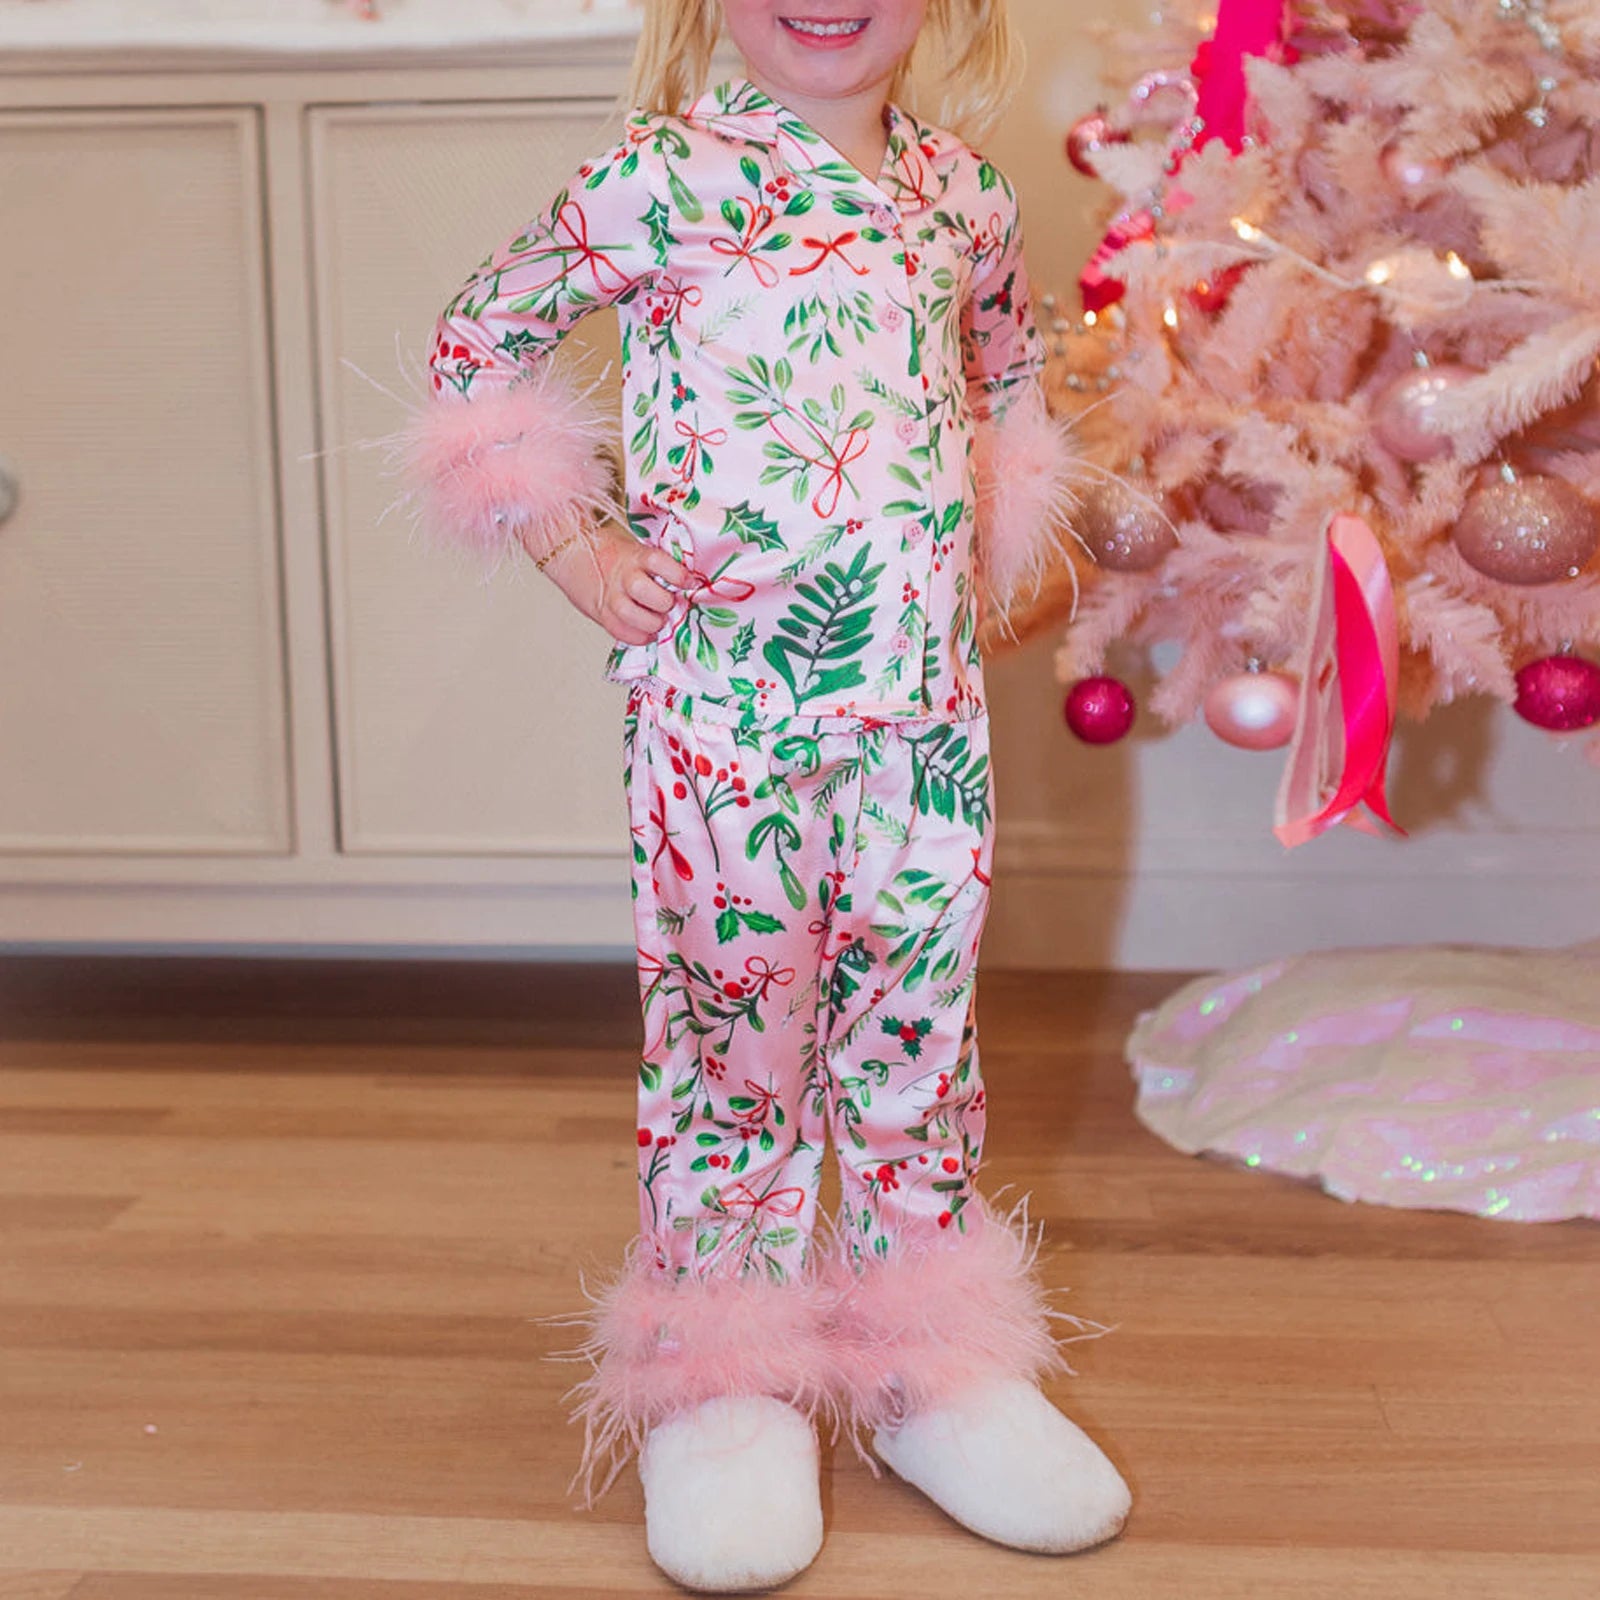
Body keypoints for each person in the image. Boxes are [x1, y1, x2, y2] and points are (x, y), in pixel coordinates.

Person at [406, 1, 1129, 1589]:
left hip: (923, 726)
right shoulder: (658, 180)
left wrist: (992, 554)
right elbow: (477, 343)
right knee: (737, 1034)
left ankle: (929, 1361)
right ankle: (720, 1376)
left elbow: (1009, 377)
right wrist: (576, 545)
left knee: (915, 1033)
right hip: (725, 721)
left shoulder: (966, 195)